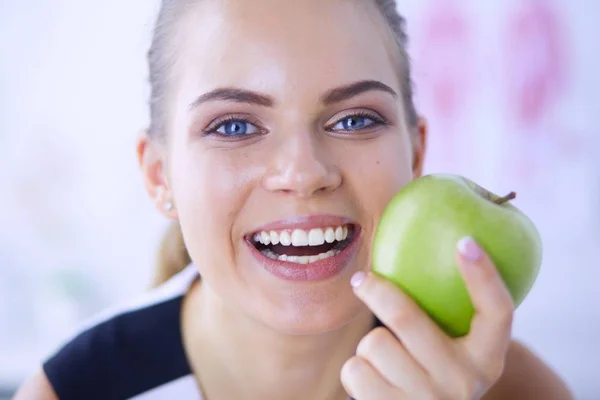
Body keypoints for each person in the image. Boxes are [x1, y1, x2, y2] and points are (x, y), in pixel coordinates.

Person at [15, 0, 573, 399]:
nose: (303, 174)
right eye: (233, 126)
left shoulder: (506, 388)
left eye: (355, 119)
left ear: (416, 154)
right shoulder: (73, 390)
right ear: (160, 176)